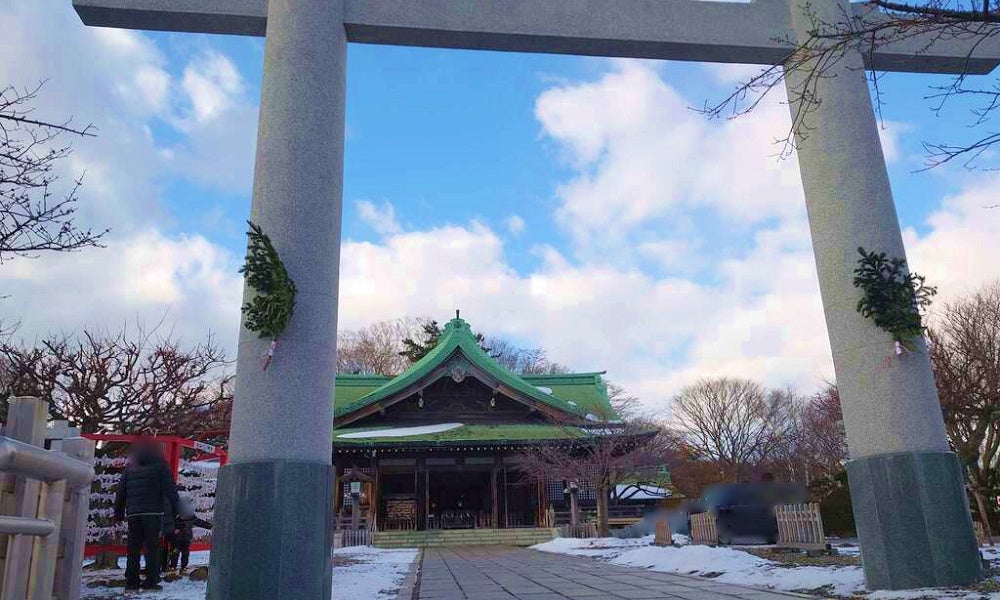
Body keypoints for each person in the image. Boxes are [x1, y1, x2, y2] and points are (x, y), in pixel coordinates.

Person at [114, 438, 180, 591]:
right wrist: (176, 512)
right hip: (153, 512)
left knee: (133, 548)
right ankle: (151, 581)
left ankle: (131, 582)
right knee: (152, 548)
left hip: (133, 513)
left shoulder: (130, 467)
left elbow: (121, 491)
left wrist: (118, 512)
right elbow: (170, 490)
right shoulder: (161, 465)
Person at [170, 496, 213, 575]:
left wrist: (210, 526)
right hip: (177, 539)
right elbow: (170, 525)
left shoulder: (190, 518)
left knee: (185, 553)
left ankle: (183, 567)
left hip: (186, 538)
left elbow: (200, 522)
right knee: (175, 552)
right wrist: (174, 529)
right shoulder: (175, 519)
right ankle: (173, 566)